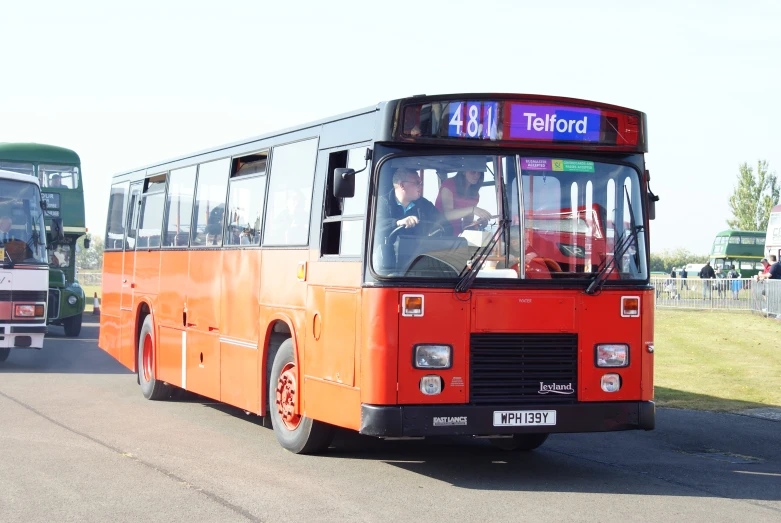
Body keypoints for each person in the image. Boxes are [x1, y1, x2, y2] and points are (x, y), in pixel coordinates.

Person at [376, 167, 450, 240]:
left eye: (421, 183)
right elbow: (375, 225)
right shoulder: (381, 202)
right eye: (417, 183)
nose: (421, 186)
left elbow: (445, 225)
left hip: (420, 251)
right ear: (402, 185)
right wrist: (397, 223)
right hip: (387, 251)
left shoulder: (425, 205)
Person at [434, 170, 492, 235]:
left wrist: (478, 223)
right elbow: (447, 214)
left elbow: (466, 224)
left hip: (457, 235)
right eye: (473, 171)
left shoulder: (475, 195)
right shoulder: (449, 184)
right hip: (440, 232)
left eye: (479, 173)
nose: (477, 175)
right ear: (464, 172)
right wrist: (472, 209)